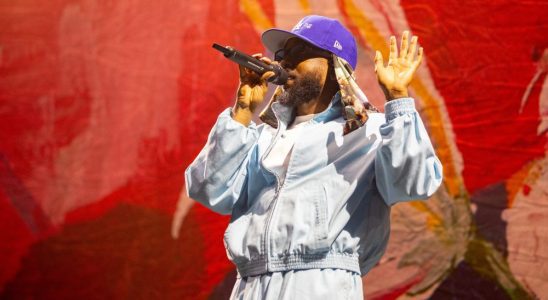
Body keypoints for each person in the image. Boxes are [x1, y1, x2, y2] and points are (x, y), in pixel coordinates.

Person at [185, 15, 443, 299]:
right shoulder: (262, 136)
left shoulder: (367, 130)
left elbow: (414, 183)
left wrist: (397, 98)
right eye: (283, 54)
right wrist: (243, 111)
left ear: (336, 68)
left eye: (300, 53)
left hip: (319, 284)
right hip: (250, 285)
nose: (285, 63)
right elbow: (208, 190)